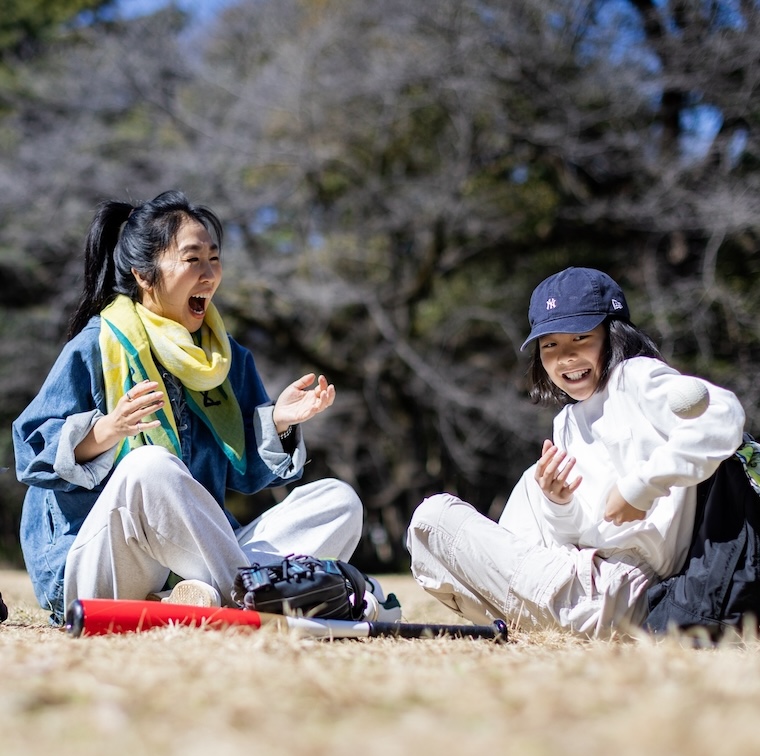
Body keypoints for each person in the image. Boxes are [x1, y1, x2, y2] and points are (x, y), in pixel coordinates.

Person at [13, 190, 363, 625]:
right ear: (144, 274)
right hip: (103, 570)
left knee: (338, 501)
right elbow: (30, 451)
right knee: (149, 466)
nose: (209, 274)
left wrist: (278, 421)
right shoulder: (96, 345)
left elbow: (245, 472)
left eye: (214, 259)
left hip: (197, 566)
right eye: (192, 259)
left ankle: (198, 599)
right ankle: (259, 591)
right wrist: (107, 431)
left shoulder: (226, 358)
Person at [407, 266, 746, 637]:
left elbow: (723, 415)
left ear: (614, 334)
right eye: (550, 345)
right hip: (584, 574)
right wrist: (560, 503)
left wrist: (642, 486)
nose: (565, 357)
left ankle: (513, 619)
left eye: (581, 338)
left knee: (432, 518)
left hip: (622, 588)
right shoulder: (567, 420)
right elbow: (582, 532)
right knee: (516, 494)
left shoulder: (635, 377)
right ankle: (520, 623)